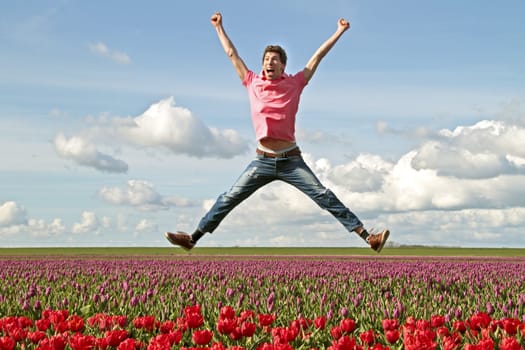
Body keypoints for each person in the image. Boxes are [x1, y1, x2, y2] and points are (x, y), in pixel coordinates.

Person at [165, 12, 390, 252]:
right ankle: (192, 239)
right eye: (266, 59)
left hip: (291, 160)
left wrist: (339, 31)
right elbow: (232, 54)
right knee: (229, 198)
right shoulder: (251, 81)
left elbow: (318, 56)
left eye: (274, 59)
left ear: (283, 65)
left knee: (323, 196)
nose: (269, 63)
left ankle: (369, 238)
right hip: (262, 160)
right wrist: (218, 27)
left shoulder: (295, 83)